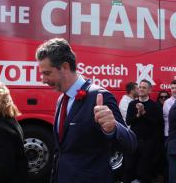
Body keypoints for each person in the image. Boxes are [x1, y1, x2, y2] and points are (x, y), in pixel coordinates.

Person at [35, 38, 137, 183]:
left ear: (64, 67)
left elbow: (131, 144)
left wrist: (113, 128)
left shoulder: (99, 96)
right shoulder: (61, 100)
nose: (43, 80)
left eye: (47, 73)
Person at [125, 79, 163, 183]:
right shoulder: (132, 104)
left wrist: (144, 113)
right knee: (130, 167)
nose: (141, 89)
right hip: (134, 141)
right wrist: (138, 114)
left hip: (148, 143)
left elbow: (157, 122)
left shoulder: (155, 106)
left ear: (150, 90)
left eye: (144, 87)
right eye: (140, 87)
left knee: (145, 171)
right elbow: (128, 121)